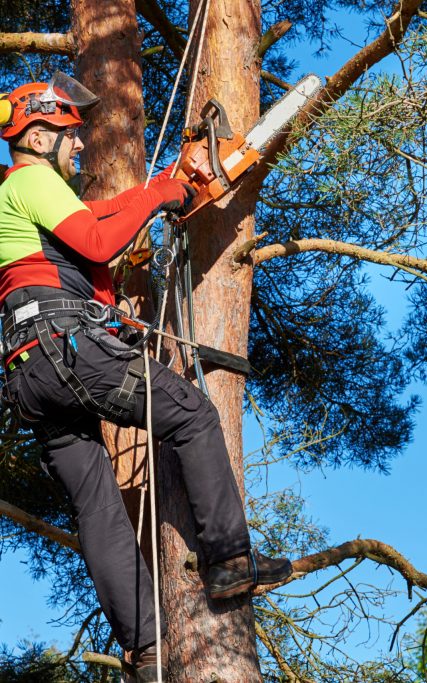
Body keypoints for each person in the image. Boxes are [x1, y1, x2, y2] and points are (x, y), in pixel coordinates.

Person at [0, 72, 292, 682]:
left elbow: (96, 220)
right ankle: (228, 559)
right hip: (64, 350)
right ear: (41, 130)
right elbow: (100, 239)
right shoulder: (29, 179)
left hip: (29, 372)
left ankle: (147, 647)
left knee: (96, 505)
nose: (78, 147)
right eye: (71, 135)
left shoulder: (16, 198)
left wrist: (163, 187)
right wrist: (161, 195)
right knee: (190, 413)